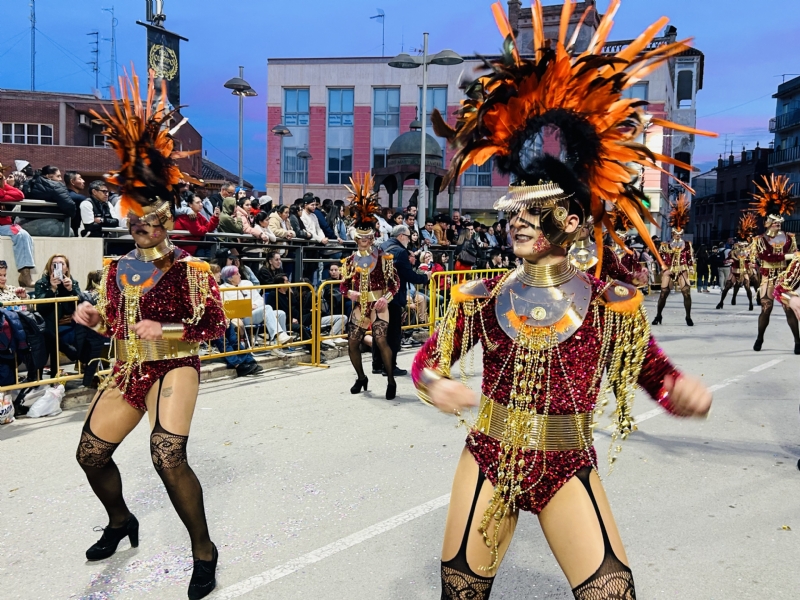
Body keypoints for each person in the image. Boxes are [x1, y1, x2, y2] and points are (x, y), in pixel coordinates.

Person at [419, 5, 713, 597]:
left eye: (537, 209)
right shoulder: (482, 296)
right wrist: (436, 385)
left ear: (574, 219)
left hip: (565, 461)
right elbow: (429, 360)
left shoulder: (611, 303)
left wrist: (677, 391)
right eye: (514, 209)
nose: (519, 221)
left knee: (612, 591)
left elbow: (650, 372)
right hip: (490, 456)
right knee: (460, 591)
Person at [71, 73, 226, 600]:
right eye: (136, 220)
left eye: (152, 220)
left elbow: (214, 326)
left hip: (176, 363)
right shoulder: (115, 271)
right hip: (129, 365)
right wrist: (96, 322)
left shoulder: (192, 270)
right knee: (91, 453)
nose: (143, 228)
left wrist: (170, 327)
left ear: (167, 219)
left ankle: (203, 550)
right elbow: (118, 323)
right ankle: (120, 521)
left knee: (167, 455)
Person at [339, 173, 400, 399]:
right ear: (356, 240)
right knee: (352, 343)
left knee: (381, 339)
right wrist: (350, 293)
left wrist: (387, 298)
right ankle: (361, 377)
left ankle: (391, 381)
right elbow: (343, 286)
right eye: (360, 239)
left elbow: (395, 283)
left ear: (372, 238)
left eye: (367, 239)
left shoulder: (384, 257)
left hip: (379, 304)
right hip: (360, 306)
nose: (364, 242)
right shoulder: (349, 262)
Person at [750, 174, 799, 353]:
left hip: (784, 279)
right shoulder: (760, 240)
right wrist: (790, 257)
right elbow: (766, 257)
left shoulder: (789, 238)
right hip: (768, 278)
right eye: (774, 221)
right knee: (766, 308)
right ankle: (760, 337)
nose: (777, 224)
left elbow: (795, 257)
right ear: (767, 222)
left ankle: (797, 341)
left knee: (789, 310)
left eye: (779, 221)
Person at [377, 224, 429, 379]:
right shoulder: (399, 251)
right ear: (401, 236)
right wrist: (425, 277)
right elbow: (408, 275)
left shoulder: (382, 246)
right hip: (393, 296)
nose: (409, 239)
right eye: (407, 236)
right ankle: (390, 367)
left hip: (379, 295)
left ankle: (377, 365)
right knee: (393, 334)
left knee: (380, 331)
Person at [219, 265, 292, 346]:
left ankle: (279, 344)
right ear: (230, 278)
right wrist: (246, 307)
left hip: (256, 313)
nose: (240, 275)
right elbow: (227, 307)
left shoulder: (247, 283)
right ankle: (279, 335)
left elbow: (260, 300)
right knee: (267, 308)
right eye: (237, 274)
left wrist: (254, 305)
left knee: (281, 313)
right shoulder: (222, 289)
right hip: (242, 317)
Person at [34, 253, 80, 377]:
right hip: (47, 324)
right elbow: (40, 308)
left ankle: (48, 376)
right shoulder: (42, 283)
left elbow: (77, 307)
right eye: (54, 264)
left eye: (61, 264)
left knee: (51, 334)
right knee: (48, 331)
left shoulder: (72, 283)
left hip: (67, 324)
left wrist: (71, 290)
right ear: (50, 267)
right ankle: (65, 349)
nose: (57, 267)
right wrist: (52, 289)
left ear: (66, 268)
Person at [652, 197, 694, 326]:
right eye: (676, 233)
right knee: (664, 292)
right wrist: (664, 268)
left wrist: (691, 267)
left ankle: (688, 316)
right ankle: (658, 315)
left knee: (686, 292)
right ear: (672, 233)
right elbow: (660, 258)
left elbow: (689, 257)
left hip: (682, 269)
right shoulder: (665, 245)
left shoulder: (687, 244)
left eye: (680, 234)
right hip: (669, 268)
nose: (678, 235)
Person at [0, 163, 36, 287]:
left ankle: (25, 275)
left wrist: (3, 187)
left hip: (4, 225)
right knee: (20, 234)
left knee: (23, 234)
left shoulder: (3, 186)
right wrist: (4, 193)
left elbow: (19, 195)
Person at [21, 165, 76, 237]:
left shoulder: (27, 184)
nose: (60, 179)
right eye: (58, 176)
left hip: (25, 224)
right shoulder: (56, 186)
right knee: (70, 232)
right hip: (49, 224)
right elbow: (69, 206)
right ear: (49, 176)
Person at [717, 238, 754, 311]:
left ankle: (751, 303)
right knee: (727, 286)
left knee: (747, 287)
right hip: (735, 271)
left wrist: (752, 264)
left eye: (743, 245)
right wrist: (728, 261)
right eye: (740, 245)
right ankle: (721, 302)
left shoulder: (749, 252)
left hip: (744, 271)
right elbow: (725, 260)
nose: (742, 246)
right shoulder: (733, 252)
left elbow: (753, 261)